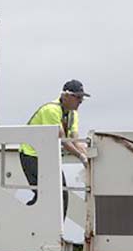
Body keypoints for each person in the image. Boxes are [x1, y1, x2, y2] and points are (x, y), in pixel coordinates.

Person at [19, 79, 91, 210]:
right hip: (31, 154)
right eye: (78, 97)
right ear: (66, 96)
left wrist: (87, 156)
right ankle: (27, 218)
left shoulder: (73, 114)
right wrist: (81, 157)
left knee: (61, 194)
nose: (80, 101)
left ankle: (52, 228)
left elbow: (75, 141)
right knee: (48, 194)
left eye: (82, 98)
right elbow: (62, 140)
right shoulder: (51, 110)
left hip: (47, 157)